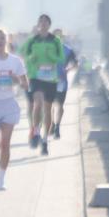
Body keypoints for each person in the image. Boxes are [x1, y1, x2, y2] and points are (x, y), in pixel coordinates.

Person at [0, 29, 29, 190]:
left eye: (3, 38)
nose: (0, 41)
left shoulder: (15, 61)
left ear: (7, 40)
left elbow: (26, 85)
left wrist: (16, 79)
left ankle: (1, 179)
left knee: (5, 144)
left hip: (9, 104)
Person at [20, 14, 66, 155]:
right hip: (36, 76)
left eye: (46, 22)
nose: (43, 24)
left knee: (48, 109)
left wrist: (51, 58)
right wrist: (31, 58)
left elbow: (61, 58)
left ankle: (45, 140)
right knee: (37, 103)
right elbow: (22, 54)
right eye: (41, 22)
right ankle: (35, 131)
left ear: (49, 25)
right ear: (38, 24)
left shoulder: (55, 40)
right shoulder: (32, 40)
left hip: (50, 79)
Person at [50, 28, 79, 139]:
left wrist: (68, 69)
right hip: (49, 81)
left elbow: (76, 64)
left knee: (60, 105)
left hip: (62, 81)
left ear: (62, 38)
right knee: (50, 105)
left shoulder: (68, 50)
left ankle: (57, 125)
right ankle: (52, 124)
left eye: (59, 37)